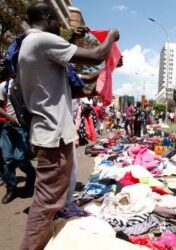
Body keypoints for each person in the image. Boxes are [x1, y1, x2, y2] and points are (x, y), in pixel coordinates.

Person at [18, 3, 120, 249]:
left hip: (50, 131)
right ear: (49, 17)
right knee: (46, 201)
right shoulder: (41, 41)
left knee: (52, 199)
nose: (60, 27)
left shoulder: (31, 45)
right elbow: (96, 55)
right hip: (52, 133)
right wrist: (110, 38)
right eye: (57, 22)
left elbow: (78, 82)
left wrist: (105, 68)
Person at [0, 78, 36, 204]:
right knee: (7, 159)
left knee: (20, 158)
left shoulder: (29, 82)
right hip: (7, 127)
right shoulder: (4, 86)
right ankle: (11, 188)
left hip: (23, 127)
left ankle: (31, 176)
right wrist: (8, 117)